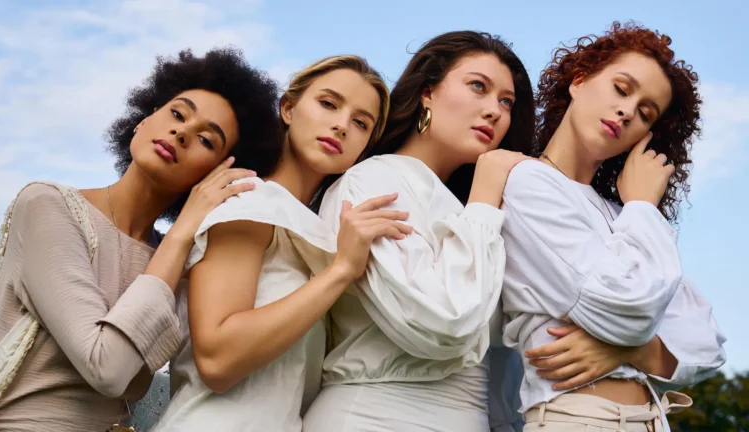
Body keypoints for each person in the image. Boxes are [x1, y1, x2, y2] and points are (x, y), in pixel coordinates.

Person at [0, 47, 281, 432]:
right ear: (142, 121)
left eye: (207, 140)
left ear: (216, 175)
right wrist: (183, 231)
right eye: (177, 114)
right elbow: (105, 366)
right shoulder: (47, 206)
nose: (182, 133)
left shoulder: (179, 261)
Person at [153, 55, 401, 431]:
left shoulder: (316, 230)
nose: (341, 125)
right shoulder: (250, 201)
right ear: (288, 108)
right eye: (328, 104)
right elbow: (218, 359)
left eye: (360, 123)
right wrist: (341, 271)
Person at [302, 31, 536, 431]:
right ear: (427, 93)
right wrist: (484, 197)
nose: (494, 111)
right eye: (478, 86)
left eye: (506, 102)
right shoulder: (373, 181)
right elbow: (443, 325)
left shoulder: (472, 213)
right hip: (375, 417)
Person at [500, 22, 727, 431]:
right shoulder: (528, 183)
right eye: (622, 89)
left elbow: (707, 341)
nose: (627, 112)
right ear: (579, 82)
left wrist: (631, 352)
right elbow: (628, 307)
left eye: (645, 114)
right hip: (578, 419)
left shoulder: (626, 218)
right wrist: (642, 205)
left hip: (651, 421)